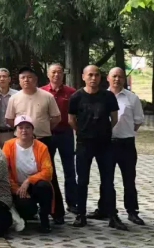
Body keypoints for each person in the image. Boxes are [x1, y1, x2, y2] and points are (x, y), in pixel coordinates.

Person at [5, 67, 64, 224]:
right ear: (19, 80)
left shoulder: (47, 96)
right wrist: (23, 132)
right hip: (21, 141)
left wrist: (42, 129)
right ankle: (25, 205)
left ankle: (56, 212)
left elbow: (56, 118)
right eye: (23, 77)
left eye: (29, 77)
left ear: (36, 79)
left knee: (49, 176)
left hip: (43, 140)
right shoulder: (14, 98)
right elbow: (10, 120)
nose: (26, 80)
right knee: (17, 172)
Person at [68, 65, 125, 230]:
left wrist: (103, 131)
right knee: (82, 181)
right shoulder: (76, 97)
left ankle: (112, 216)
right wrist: (83, 131)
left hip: (105, 144)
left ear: (101, 77)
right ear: (83, 77)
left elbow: (114, 119)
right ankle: (81, 215)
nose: (93, 78)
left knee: (108, 181)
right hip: (84, 143)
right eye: (90, 75)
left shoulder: (108, 96)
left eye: (97, 75)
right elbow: (71, 120)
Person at [89, 67, 145, 225]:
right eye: (114, 76)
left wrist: (126, 132)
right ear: (108, 78)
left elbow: (138, 121)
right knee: (106, 179)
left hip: (126, 144)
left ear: (124, 79)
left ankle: (132, 211)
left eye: (120, 76)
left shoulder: (132, 98)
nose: (117, 79)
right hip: (107, 144)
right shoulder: (101, 97)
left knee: (129, 179)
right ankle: (104, 209)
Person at [2, 116, 54, 233]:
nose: (24, 130)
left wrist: (29, 180)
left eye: (27, 127)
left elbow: (48, 171)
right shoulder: (8, 145)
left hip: (35, 185)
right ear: (15, 131)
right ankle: (26, 214)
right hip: (17, 186)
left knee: (44, 186)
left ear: (32, 130)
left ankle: (44, 219)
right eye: (20, 127)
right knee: (26, 208)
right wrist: (16, 189)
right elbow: (4, 170)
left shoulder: (42, 147)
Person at [40, 63, 78, 214]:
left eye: (59, 72)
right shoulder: (41, 92)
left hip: (65, 134)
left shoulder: (71, 92)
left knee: (69, 169)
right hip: (47, 134)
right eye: (53, 72)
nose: (56, 75)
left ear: (63, 74)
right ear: (48, 74)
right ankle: (51, 203)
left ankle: (72, 202)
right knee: (48, 170)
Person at [0, 68, 17, 146]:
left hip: (12, 132)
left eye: (4, 76)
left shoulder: (17, 95)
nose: (2, 79)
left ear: (9, 79)